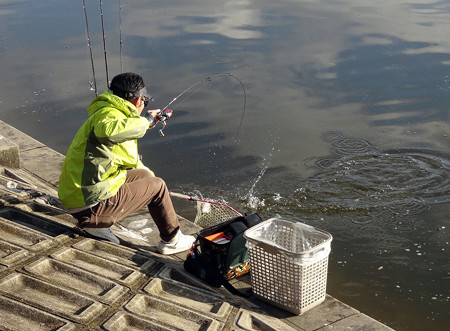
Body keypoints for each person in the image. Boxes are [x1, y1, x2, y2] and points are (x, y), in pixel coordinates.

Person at [58, 72, 195, 255]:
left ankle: (98, 226)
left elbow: (132, 163)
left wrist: (157, 196)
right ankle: (172, 240)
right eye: (145, 101)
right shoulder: (108, 118)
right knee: (158, 185)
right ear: (138, 101)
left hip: (80, 197)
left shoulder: (110, 113)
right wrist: (145, 121)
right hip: (87, 205)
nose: (144, 105)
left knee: (147, 177)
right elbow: (108, 131)